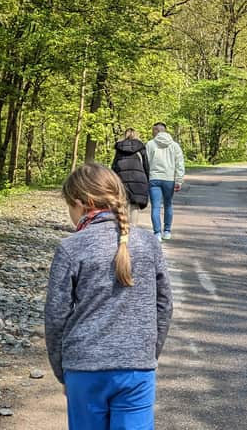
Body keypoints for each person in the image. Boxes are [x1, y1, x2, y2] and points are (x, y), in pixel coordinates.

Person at [45, 162, 173, 429]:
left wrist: (63, 372)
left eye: (70, 207)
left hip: (84, 368)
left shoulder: (71, 248)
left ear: (81, 203)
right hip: (136, 367)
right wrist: (149, 352)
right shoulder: (148, 243)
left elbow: (56, 317)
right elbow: (164, 305)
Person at [145, 122, 184, 241]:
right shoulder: (174, 145)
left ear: (157, 131)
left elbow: (146, 163)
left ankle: (157, 233)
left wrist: (146, 178)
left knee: (155, 207)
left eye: (153, 130)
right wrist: (179, 180)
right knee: (168, 205)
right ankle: (167, 231)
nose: (152, 133)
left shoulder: (150, 144)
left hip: (154, 178)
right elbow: (179, 164)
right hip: (169, 179)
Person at [111, 128, 150, 226]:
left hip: (121, 179)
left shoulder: (119, 148)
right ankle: (133, 228)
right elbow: (146, 165)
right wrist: (147, 179)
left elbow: (114, 165)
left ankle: (123, 227)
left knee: (123, 204)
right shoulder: (141, 147)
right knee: (135, 205)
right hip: (138, 179)